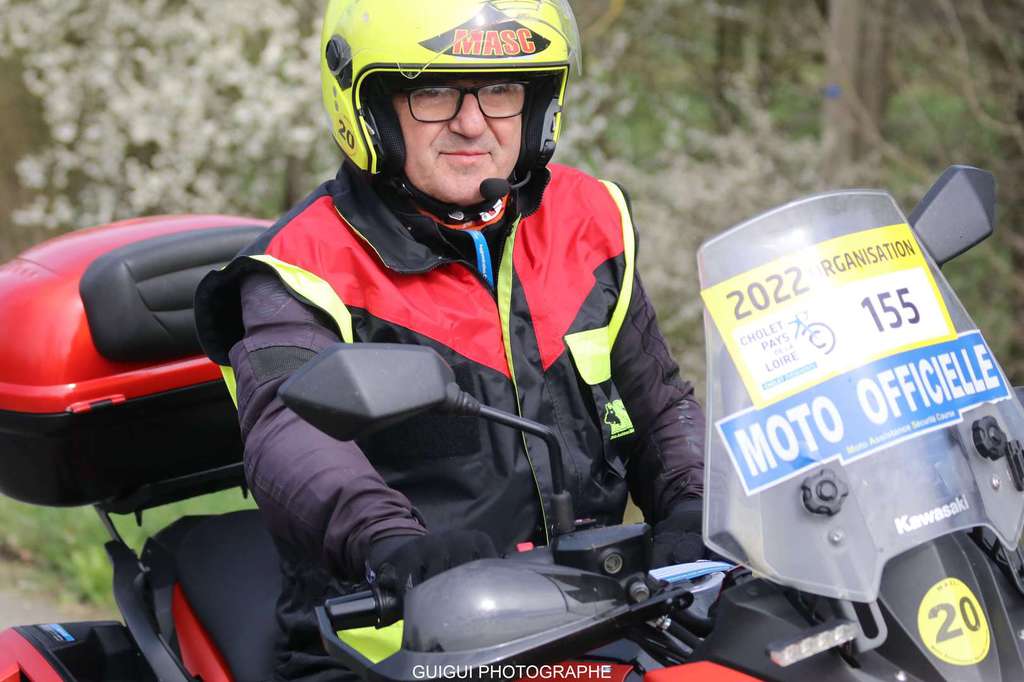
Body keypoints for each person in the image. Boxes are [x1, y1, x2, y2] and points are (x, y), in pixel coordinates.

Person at [194, 1, 706, 679]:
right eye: (433, 93)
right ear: (370, 109)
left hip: (595, 619)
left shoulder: (590, 219)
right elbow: (290, 435)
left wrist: (697, 503)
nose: (472, 123)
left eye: (501, 90)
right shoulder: (300, 270)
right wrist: (391, 542)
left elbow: (659, 402)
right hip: (387, 644)